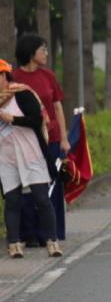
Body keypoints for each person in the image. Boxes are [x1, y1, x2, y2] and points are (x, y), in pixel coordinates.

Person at [0, 59, 61, 259]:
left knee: (42, 198)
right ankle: (14, 243)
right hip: (6, 157)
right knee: (12, 200)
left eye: (0, 76)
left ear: (6, 77)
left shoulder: (22, 94)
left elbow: (37, 119)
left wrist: (13, 119)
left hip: (30, 153)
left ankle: (52, 241)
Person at [12, 34, 69, 247]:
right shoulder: (13, 78)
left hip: (50, 139)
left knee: (51, 184)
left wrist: (63, 137)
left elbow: (57, 107)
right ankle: (29, 233)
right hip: (25, 139)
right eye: (42, 49)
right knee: (28, 185)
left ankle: (50, 233)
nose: (46, 53)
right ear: (30, 52)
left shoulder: (48, 76)